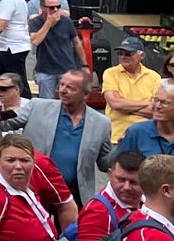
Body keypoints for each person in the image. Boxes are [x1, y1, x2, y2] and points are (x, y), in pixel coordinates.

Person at [18, 68, 114, 206]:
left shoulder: (101, 123)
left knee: (73, 228)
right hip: (38, 189)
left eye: (70, 88)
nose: (62, 90)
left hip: (75, 195)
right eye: (62, 84)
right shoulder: (36, 107)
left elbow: (104, 164)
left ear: (86, 94)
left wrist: (121, 149)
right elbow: (6, 124)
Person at [103, 36, 163, 146]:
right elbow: (115, 103)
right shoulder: (110, 73)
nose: (123, 57)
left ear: (141, 56)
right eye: (120, 53)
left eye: (128, 53)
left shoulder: (154, 77)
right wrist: (147, 102)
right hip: (116, 138)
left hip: (146, 137)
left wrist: (124, 107)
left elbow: (156, 110)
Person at [29, 0, 85, 100]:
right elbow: (35, 41)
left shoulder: (66, 21)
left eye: (58, 7)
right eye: (51, 7)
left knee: (69, 101)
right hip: (45, 70)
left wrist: (84, 65)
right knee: (47, 103)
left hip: (67, 68)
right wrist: (48, 23)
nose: (55, 10)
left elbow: (77, 43)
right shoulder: (35, 22)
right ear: (42, 8)